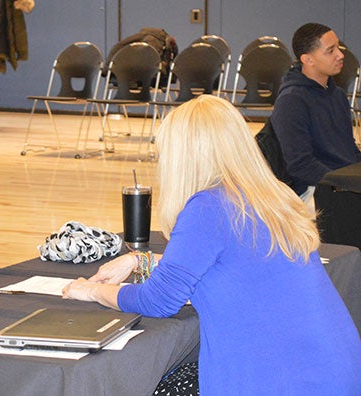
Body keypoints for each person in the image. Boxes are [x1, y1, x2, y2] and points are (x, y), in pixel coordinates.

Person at [62, 95, 361, 395]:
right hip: (334, 371)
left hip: (278, 383)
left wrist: (93, 291)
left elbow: (158, 301)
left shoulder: (208, 206)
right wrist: (142, 261)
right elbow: (227, 264)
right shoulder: (272, 195)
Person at [271, 22, 361, 202]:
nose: (340, 55)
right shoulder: (291, 101)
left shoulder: (338, 95)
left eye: (339, 47)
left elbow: (349, 150)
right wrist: (345, 184)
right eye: (331, 51)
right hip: (314, 190)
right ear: (308, 60)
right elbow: (301, 166)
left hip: (342, 184)